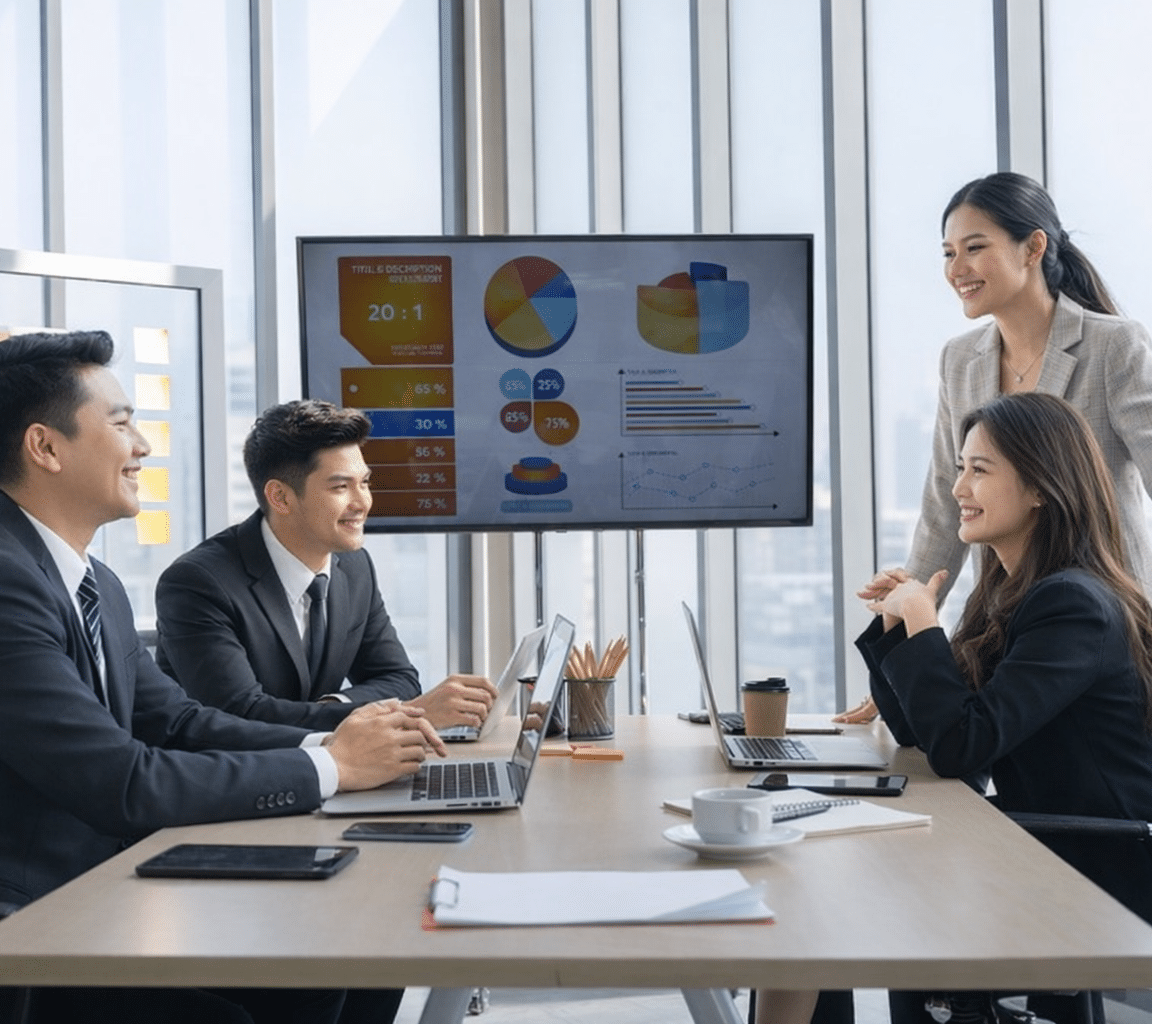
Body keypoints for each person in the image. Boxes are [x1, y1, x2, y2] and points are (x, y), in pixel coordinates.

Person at [0, 331, 445, 1024]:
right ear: (45, 447)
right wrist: (332, 769)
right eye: (120, 423)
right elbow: (124, 780)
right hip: (35, 917)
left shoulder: (98, 585)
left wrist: (331, 750)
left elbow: (177, 722)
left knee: (355, 957)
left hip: (105, 880)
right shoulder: (7, 581)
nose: (143, 445)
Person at [858, 392, 1152, 1024]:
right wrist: (896, 628)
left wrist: (924, 626)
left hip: (1102, 860)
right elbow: (925, 733)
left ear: (1042, 487)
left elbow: (964, 744)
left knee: (880, 890)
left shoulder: (1072, 603)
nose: (958, 485)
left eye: (980, 469)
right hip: (1042, 839)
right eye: (959, 467)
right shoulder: (1012, 592)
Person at [835, 170, 1152, 725]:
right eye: (948, 253)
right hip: (1013, 611)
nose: (957, 269)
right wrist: (907, 645)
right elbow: (943, 499)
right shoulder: (962, 360)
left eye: (974, 248)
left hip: (1098, 617)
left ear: (1034, 247)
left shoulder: (1113, 346)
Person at [154, 399, 498, 733]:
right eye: (340, 487)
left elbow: (399, 678)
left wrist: (332, 706)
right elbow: (240, 716)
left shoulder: (354, 566)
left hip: (335, 773)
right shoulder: (198, 583)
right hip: (232, 783)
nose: (362, 502)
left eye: (364, 482)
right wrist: (411, 713)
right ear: (281, 497)